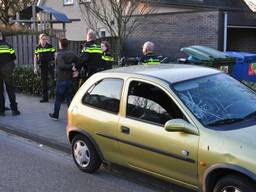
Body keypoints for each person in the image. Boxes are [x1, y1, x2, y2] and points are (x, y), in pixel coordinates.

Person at [49, 38, 78, 120]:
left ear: (60, 44)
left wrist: (71, 67)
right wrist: (76, 68)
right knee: (69, 99)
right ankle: (72, 117)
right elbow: (78, 61)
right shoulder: (72, 53)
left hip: (61, 79)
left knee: (58, 99)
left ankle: (55, 115)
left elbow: (61, 66)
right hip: (70, 79)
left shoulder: (59, 54)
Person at [0, 32, 20, 116]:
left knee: (0, 91)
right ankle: (14, 110)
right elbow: (14, 57)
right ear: (1, 36)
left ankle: (1, 111)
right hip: (8, 70)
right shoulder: (8, 46)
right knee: (10, 90)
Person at [34, 33, 55, 103]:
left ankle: (55, 96)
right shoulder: (37, 47)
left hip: (50, 66)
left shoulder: (50, 46)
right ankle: (45, 98)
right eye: (43, 39)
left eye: (45, 39)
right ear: (40, 40)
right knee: (43, 83)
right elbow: (35, 58)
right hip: (42, 67)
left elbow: (55, 56)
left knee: (53, 80)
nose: (44, 40)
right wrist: (35, 67)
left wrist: (55, 64)